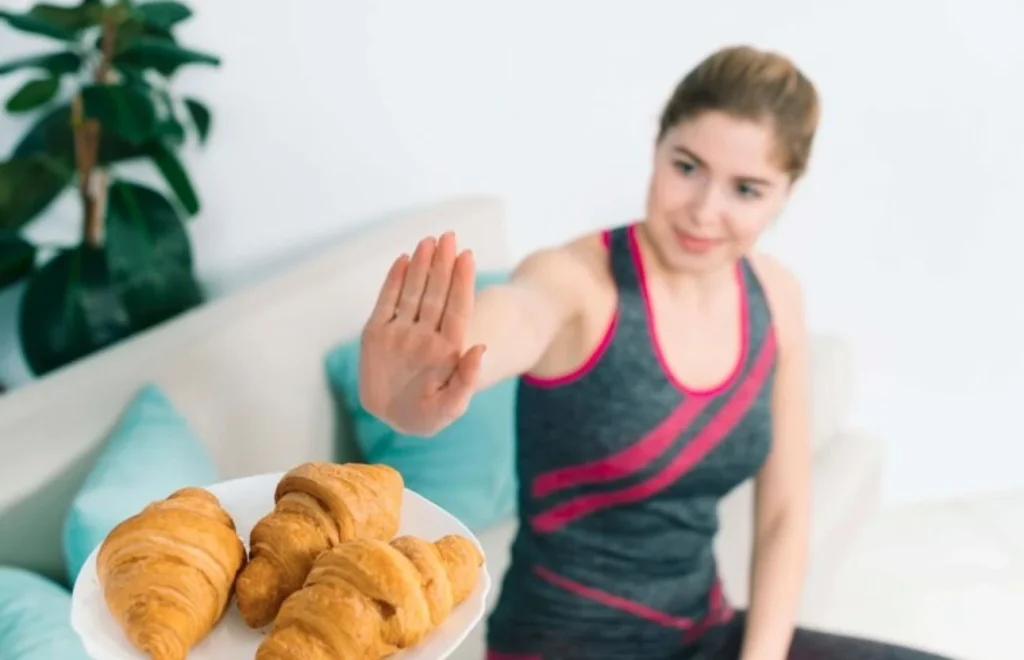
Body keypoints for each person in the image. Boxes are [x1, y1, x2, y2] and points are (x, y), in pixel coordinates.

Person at [358, 45, 952, 660]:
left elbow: (783, 518)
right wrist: (415, 387)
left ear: (786, 194)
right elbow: (518, 315)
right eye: (688, 167)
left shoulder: (776, 296)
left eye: (746, 189)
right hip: (559, 645)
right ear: (658, 146)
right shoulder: (578, 281)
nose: (703, 210)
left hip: (704, 634)